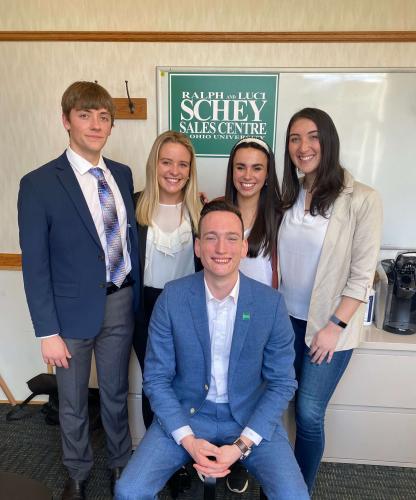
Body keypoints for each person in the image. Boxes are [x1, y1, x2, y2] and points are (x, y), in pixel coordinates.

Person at [115, 200, 309, 500]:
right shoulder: (172, 298)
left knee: (294, 496)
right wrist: (189, 440)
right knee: (129, 492)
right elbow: (156, 379)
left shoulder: (270, 304)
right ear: (197, 247)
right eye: (211, 237)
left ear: (243, 247)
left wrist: (242, 445)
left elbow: (283, 383)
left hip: (249, 417)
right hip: (186, 414)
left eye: (231, 238)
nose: (221, 248)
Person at [18, 81, 140, 500]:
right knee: (71, 401)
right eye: (85, 115)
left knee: (115, 393)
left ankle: (121, 464)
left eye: (103, 117)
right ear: (66, 120)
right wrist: (46, 332)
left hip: (120, 301)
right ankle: (77, 471)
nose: (95, 124)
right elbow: (35, 265)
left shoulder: (121, 175)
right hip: (69, 316)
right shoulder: (38, 184)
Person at [279, 107, 382, 493]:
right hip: (285, 321)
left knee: (307, 414)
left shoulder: (362, 199)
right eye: (294, 138)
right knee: (276, 406)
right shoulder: (288, 195)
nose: (303, 147)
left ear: (328, 141)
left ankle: (298, 488)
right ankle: (276, 474)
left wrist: (333, 327)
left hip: (328, 326)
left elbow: (362, 276)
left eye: (312, 137)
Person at [223, 137, 283, 492]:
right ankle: (226, 457)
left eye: (257, 168)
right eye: (240, 167)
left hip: (262, 320)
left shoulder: (280, 217)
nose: (248, 175)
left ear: (267, 173)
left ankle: (244, 456)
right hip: (222, 315)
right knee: (223, 389)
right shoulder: (217, 210)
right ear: (231, 171)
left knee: (255, 392)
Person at [133, 130, 203, 429]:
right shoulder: (133, 205)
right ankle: (156, 452)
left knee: (187, 383)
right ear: (154, 165)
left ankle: (186, 456)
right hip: (144, 308)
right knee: (155, 384)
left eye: (183, 164)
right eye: (166, 162)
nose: (174, 171)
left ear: (190, 170)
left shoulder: (201, 211)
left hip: (188, 306)